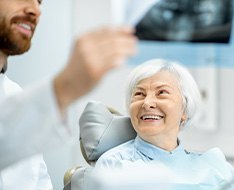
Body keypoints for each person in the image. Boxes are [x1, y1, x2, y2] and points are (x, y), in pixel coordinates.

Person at [0, 0, 137, 189]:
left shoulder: (13, 93)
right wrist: (64, 87)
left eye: (39, 2)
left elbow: (38, 182)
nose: (36, 10)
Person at [95, 59, 234, 189]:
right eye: (139, 94)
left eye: (161, 93)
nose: (147, 103)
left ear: (184, 109)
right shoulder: (114, 165)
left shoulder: (215, 167)